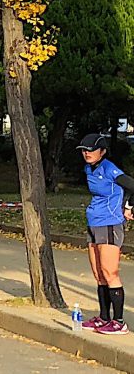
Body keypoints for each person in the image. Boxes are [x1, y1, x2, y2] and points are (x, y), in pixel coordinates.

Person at [78, 133, 134, 334]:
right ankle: (104, 318)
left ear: (102, 151)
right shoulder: (88, 168)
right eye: (84, 150)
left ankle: (119, 322)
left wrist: (129, 206)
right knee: (98, 274)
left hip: (110, 223)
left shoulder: (110, 168)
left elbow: (131, 186)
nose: (87, 153)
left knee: (110, 272)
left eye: (91, 150)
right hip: (93, 223)